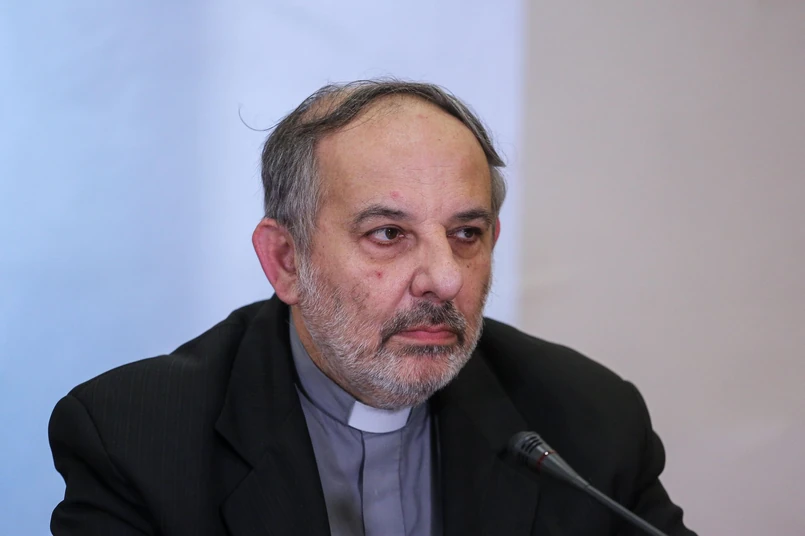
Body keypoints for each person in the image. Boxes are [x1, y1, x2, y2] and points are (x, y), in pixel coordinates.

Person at [49, 79, 697, 536]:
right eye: (388, 233)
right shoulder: (137, 441)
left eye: (466, 234)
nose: (444, 279)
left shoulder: (588, 423)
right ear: (285, 260)